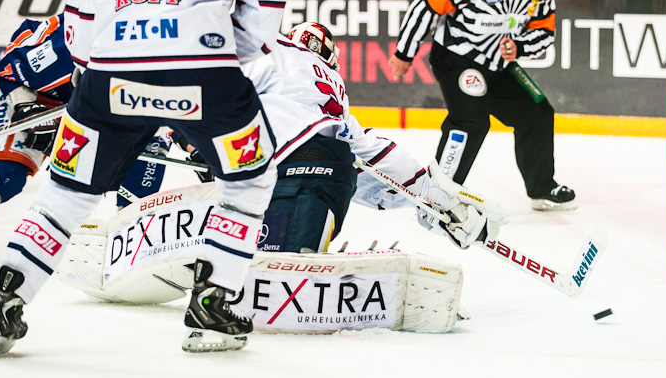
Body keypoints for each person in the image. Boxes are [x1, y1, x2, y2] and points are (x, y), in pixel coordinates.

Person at [0, 0, 286, 358]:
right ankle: (213, 301)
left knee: (65, 193)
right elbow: (268, 9)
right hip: (204, 78)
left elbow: (76, 21)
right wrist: (224, 53)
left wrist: (101, 74)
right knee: (249, 181)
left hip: (110, 78)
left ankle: (5, 299)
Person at [183, 21, 502, 254]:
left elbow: (215, 89)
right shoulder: (333, 84)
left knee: (252, 256)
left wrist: (193, 139)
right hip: (330, 167)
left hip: (272, 164)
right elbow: (369, 154)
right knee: (290, 260)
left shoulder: (274, 51)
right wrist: (434, 199)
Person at [0, 14, 168, 274]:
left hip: (101, 104)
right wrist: (26, 109)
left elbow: (176, 110)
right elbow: (11, 71)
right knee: (4, 174)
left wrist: (196, 148)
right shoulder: (69, 45)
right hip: (37, 97)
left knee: (152, 147)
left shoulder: (169, 55)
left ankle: (132, 242)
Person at [391, 0, 576, 212]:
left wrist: (519, 47)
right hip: (457, 59)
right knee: (471, 122)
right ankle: (438, 194)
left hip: (499, 65)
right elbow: (425, 6)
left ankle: (542, 188)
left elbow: (545, 33)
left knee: (538, 111)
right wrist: (404, 52)